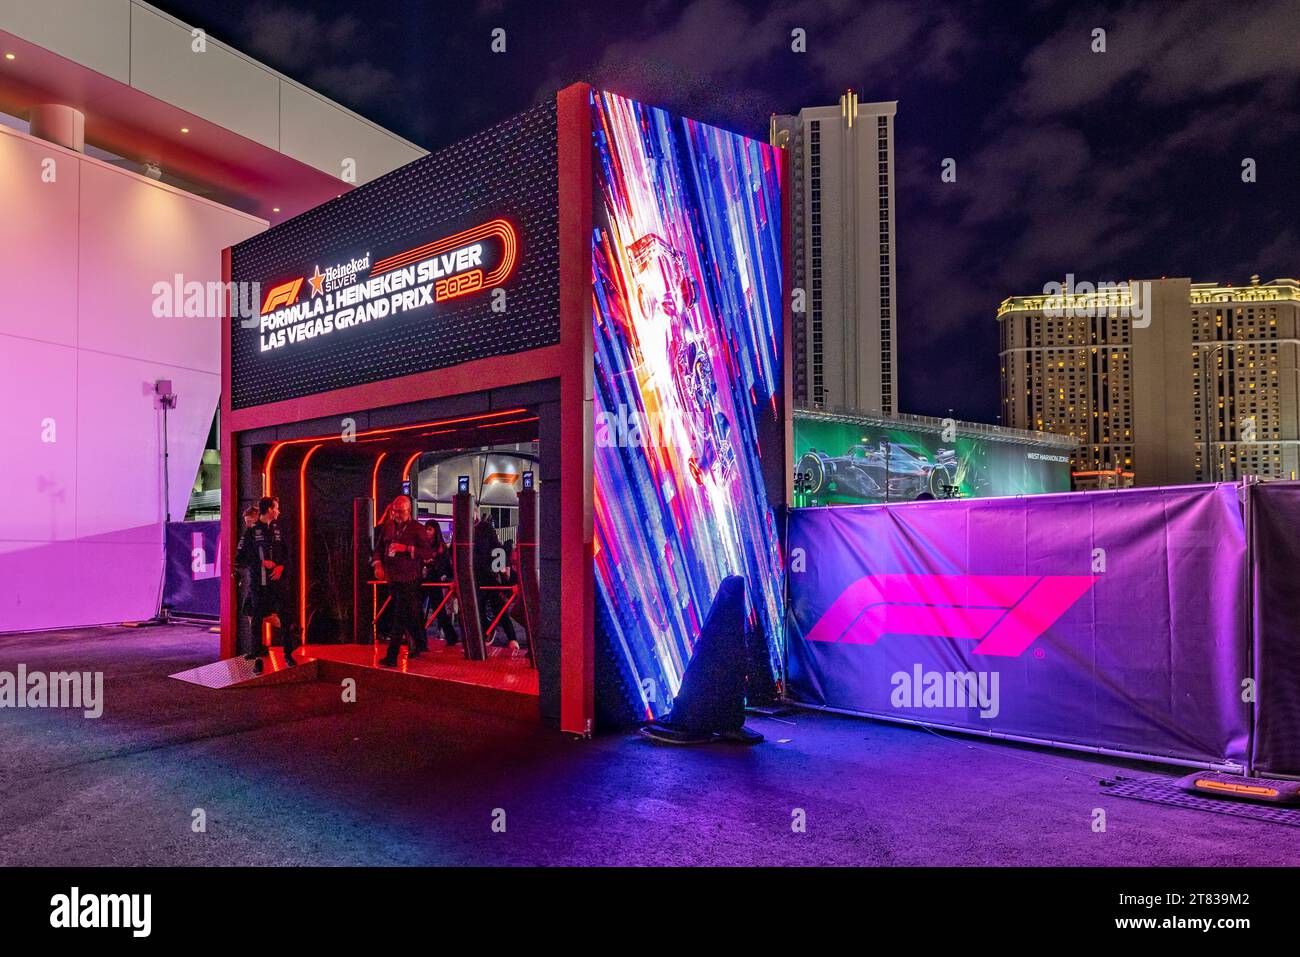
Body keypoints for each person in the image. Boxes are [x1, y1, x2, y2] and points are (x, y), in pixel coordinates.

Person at [234, 496, 299, 673]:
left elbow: (288, 552)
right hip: (258, 585)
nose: (278, 511)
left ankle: (288, 654)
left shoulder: (280, 529)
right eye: (276, 508)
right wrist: (260, 563)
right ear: (269, 510)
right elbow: (240, 559)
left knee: (284, 618)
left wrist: (280, 567)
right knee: (256, 622)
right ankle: (257, 660)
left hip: (278, 584)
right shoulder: (251, 532)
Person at [372, 494, 433, 667]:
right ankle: (420, 642)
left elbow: (427, 553)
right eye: (395, 511)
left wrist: (406, 548)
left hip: (409, 579)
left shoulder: (417, 529)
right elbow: (378, 548)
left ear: (408, 511)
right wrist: (378, 565)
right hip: (393, 578)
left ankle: (392, 656)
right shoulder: (388, 527)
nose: (397, 515)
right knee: (410, 614)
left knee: (399, 617)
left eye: (400, 512)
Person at [472, 510, 517, 649]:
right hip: (473, 575)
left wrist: (501, 570)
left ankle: (512, 638)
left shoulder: (485, 529)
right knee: (477, 608)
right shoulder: (463, 530)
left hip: (488, 575)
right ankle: (485, 633)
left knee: (498, 606)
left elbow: (497, 548)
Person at [421, 518, 459, 647]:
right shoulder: (425, 545)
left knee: (439, 610)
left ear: (435, 531)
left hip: (434, 581)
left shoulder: (441, 547)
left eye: (430, 529)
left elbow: (442, 565)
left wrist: (431, 564)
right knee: (419, 608)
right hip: (424, 580)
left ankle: (451, 636)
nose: (427, 532)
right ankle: (418, 635)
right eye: (426, 529)